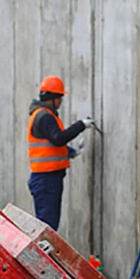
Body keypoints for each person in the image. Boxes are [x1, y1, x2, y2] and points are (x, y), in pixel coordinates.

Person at [26, 75, 94, 231]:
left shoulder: (41, 114)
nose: (61, 102)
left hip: (46, 179)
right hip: (46, 179)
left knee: (48, 227)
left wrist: (68, 152)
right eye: (60, 98)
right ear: (52, 98)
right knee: (47, 229)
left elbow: (49, 142)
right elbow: (58, 138)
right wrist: (81, 125)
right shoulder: (44, 116)